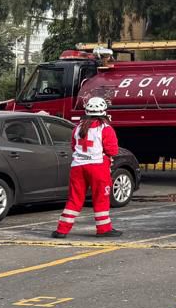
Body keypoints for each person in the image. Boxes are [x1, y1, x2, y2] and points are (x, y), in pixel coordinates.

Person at [52, 96, 123, 238]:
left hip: (78, 166)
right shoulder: (105, 128)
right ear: (104, 111)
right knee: (101, 198)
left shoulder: (78, 128)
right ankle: (104, 229)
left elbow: (73, 146)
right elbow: (112, 150)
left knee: (74, 199)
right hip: (98, 166)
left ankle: (61, 230)